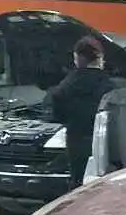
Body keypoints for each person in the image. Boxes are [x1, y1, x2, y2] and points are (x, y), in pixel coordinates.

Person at [44, 36, 116, 188]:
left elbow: (56, 112)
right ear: (100, 57)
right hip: (101, 142)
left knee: (77, 183)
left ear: (77, 58)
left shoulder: (66, 84)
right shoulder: (109, 85)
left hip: (75, 140)